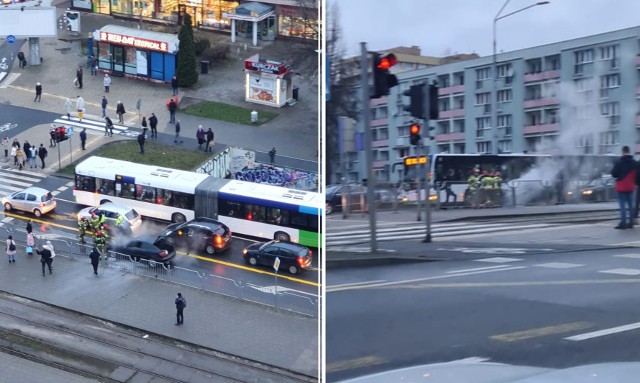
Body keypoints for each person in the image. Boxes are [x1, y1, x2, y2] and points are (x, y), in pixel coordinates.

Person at [612, 145, 637, 229]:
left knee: (622, 206)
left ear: (623, 152)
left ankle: (623, 223)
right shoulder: (634, 162)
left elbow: (614, 174)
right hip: (630, 186)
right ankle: (631, 222)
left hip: (621, 186)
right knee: (630, 205)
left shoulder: (619, 162)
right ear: (629, 151)